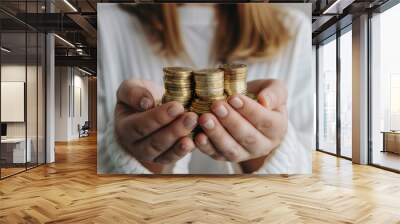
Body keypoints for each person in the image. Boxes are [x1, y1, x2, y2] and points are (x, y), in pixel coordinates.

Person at [97, 3, 313, 174]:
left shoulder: (293, 28)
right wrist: (136, 156)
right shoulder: (108, 23)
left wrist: (264, 152)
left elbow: (307, 169)